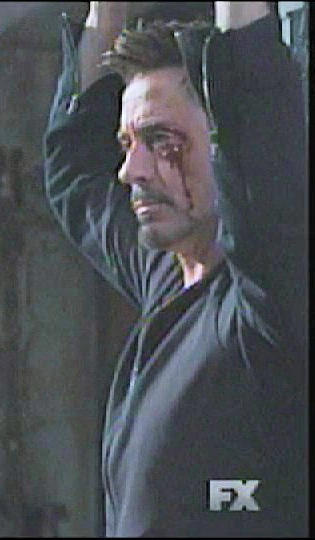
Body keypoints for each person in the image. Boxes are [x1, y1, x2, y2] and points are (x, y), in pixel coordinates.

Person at [43, 1, 307, 536]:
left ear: (226, 146)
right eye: (127, 144)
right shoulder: (169, 276)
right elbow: (76, 171)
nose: (131, 170)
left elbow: (259, 124)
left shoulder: (269, 306)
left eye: (162, 142)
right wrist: (107, 13)